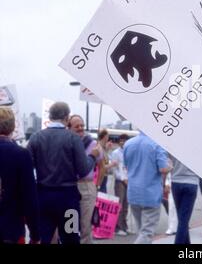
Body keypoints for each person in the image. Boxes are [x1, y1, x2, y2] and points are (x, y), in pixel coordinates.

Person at [27, 102, 98, 244]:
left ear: (50, 116)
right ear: (67, 117)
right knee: (70, 238)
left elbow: (29, 167)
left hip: (43, 196)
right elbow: (83, 170)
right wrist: (93, 156)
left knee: (43, 237)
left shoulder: (36, 137)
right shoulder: (73, 138)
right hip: (68, 197)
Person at [0, 107, 40, 244]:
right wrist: (35, 234)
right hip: (11, 230)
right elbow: (29, 199)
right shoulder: (21, 155)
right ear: (12, 127)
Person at [124, 131, 171, 244]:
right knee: (147, 233)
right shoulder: (156, 144)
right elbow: (163, 169)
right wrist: (170, 166)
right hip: (150, 194)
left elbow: (126, 166)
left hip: (133, 192)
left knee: (141, 231)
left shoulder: (128, 144)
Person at [68, 115, 103, 244]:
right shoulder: (67, 142)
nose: (81, 128)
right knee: (69, 225)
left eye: (82, 125)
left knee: (85, 225)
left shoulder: (93, 143)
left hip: (86, 186)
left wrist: (97, 185)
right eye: (77, 126)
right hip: (70, 186)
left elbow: (102, 166)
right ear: (69, 128)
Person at [170, 156, 199, 244]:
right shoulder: (197, 146)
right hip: (191, 181)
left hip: (176, 181)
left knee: (182, 218)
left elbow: (168, 162)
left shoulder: (175, 145)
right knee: (183, 220)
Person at [110, 133, 129, 236]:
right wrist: (123, 179)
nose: (123, 142)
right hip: (119, 181)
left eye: (125, 140)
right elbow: (114, 169)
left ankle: (125, 226)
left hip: (128, 180)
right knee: (120, 204)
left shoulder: (130, 152)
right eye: (121, 140)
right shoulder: (115, 153)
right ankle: (118, 227)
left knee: (126, 205)